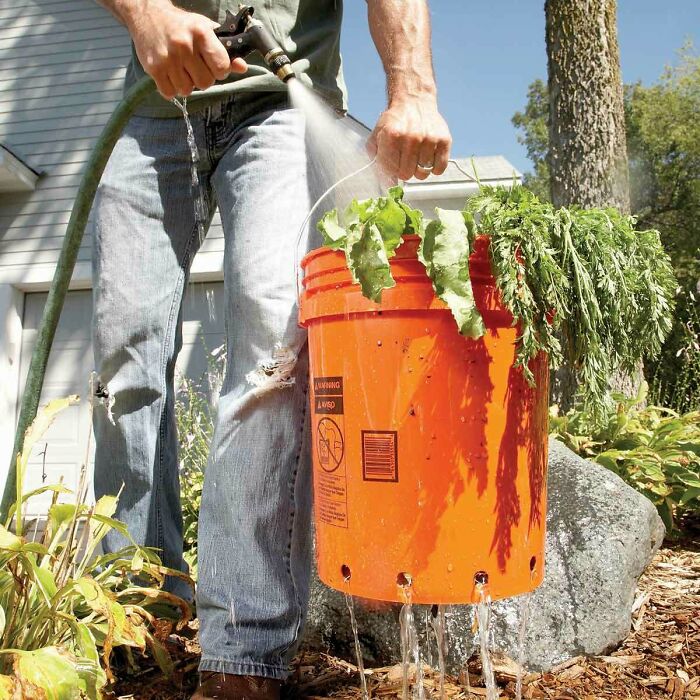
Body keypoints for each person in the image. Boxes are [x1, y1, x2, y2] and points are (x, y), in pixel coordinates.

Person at [93, 1, 451, 698]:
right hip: (153, 106)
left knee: (272, 348)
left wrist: (414, 89)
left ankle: (243, 653)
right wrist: (149, 17)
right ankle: (140, 618)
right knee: (122, 368)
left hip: (283, 105)